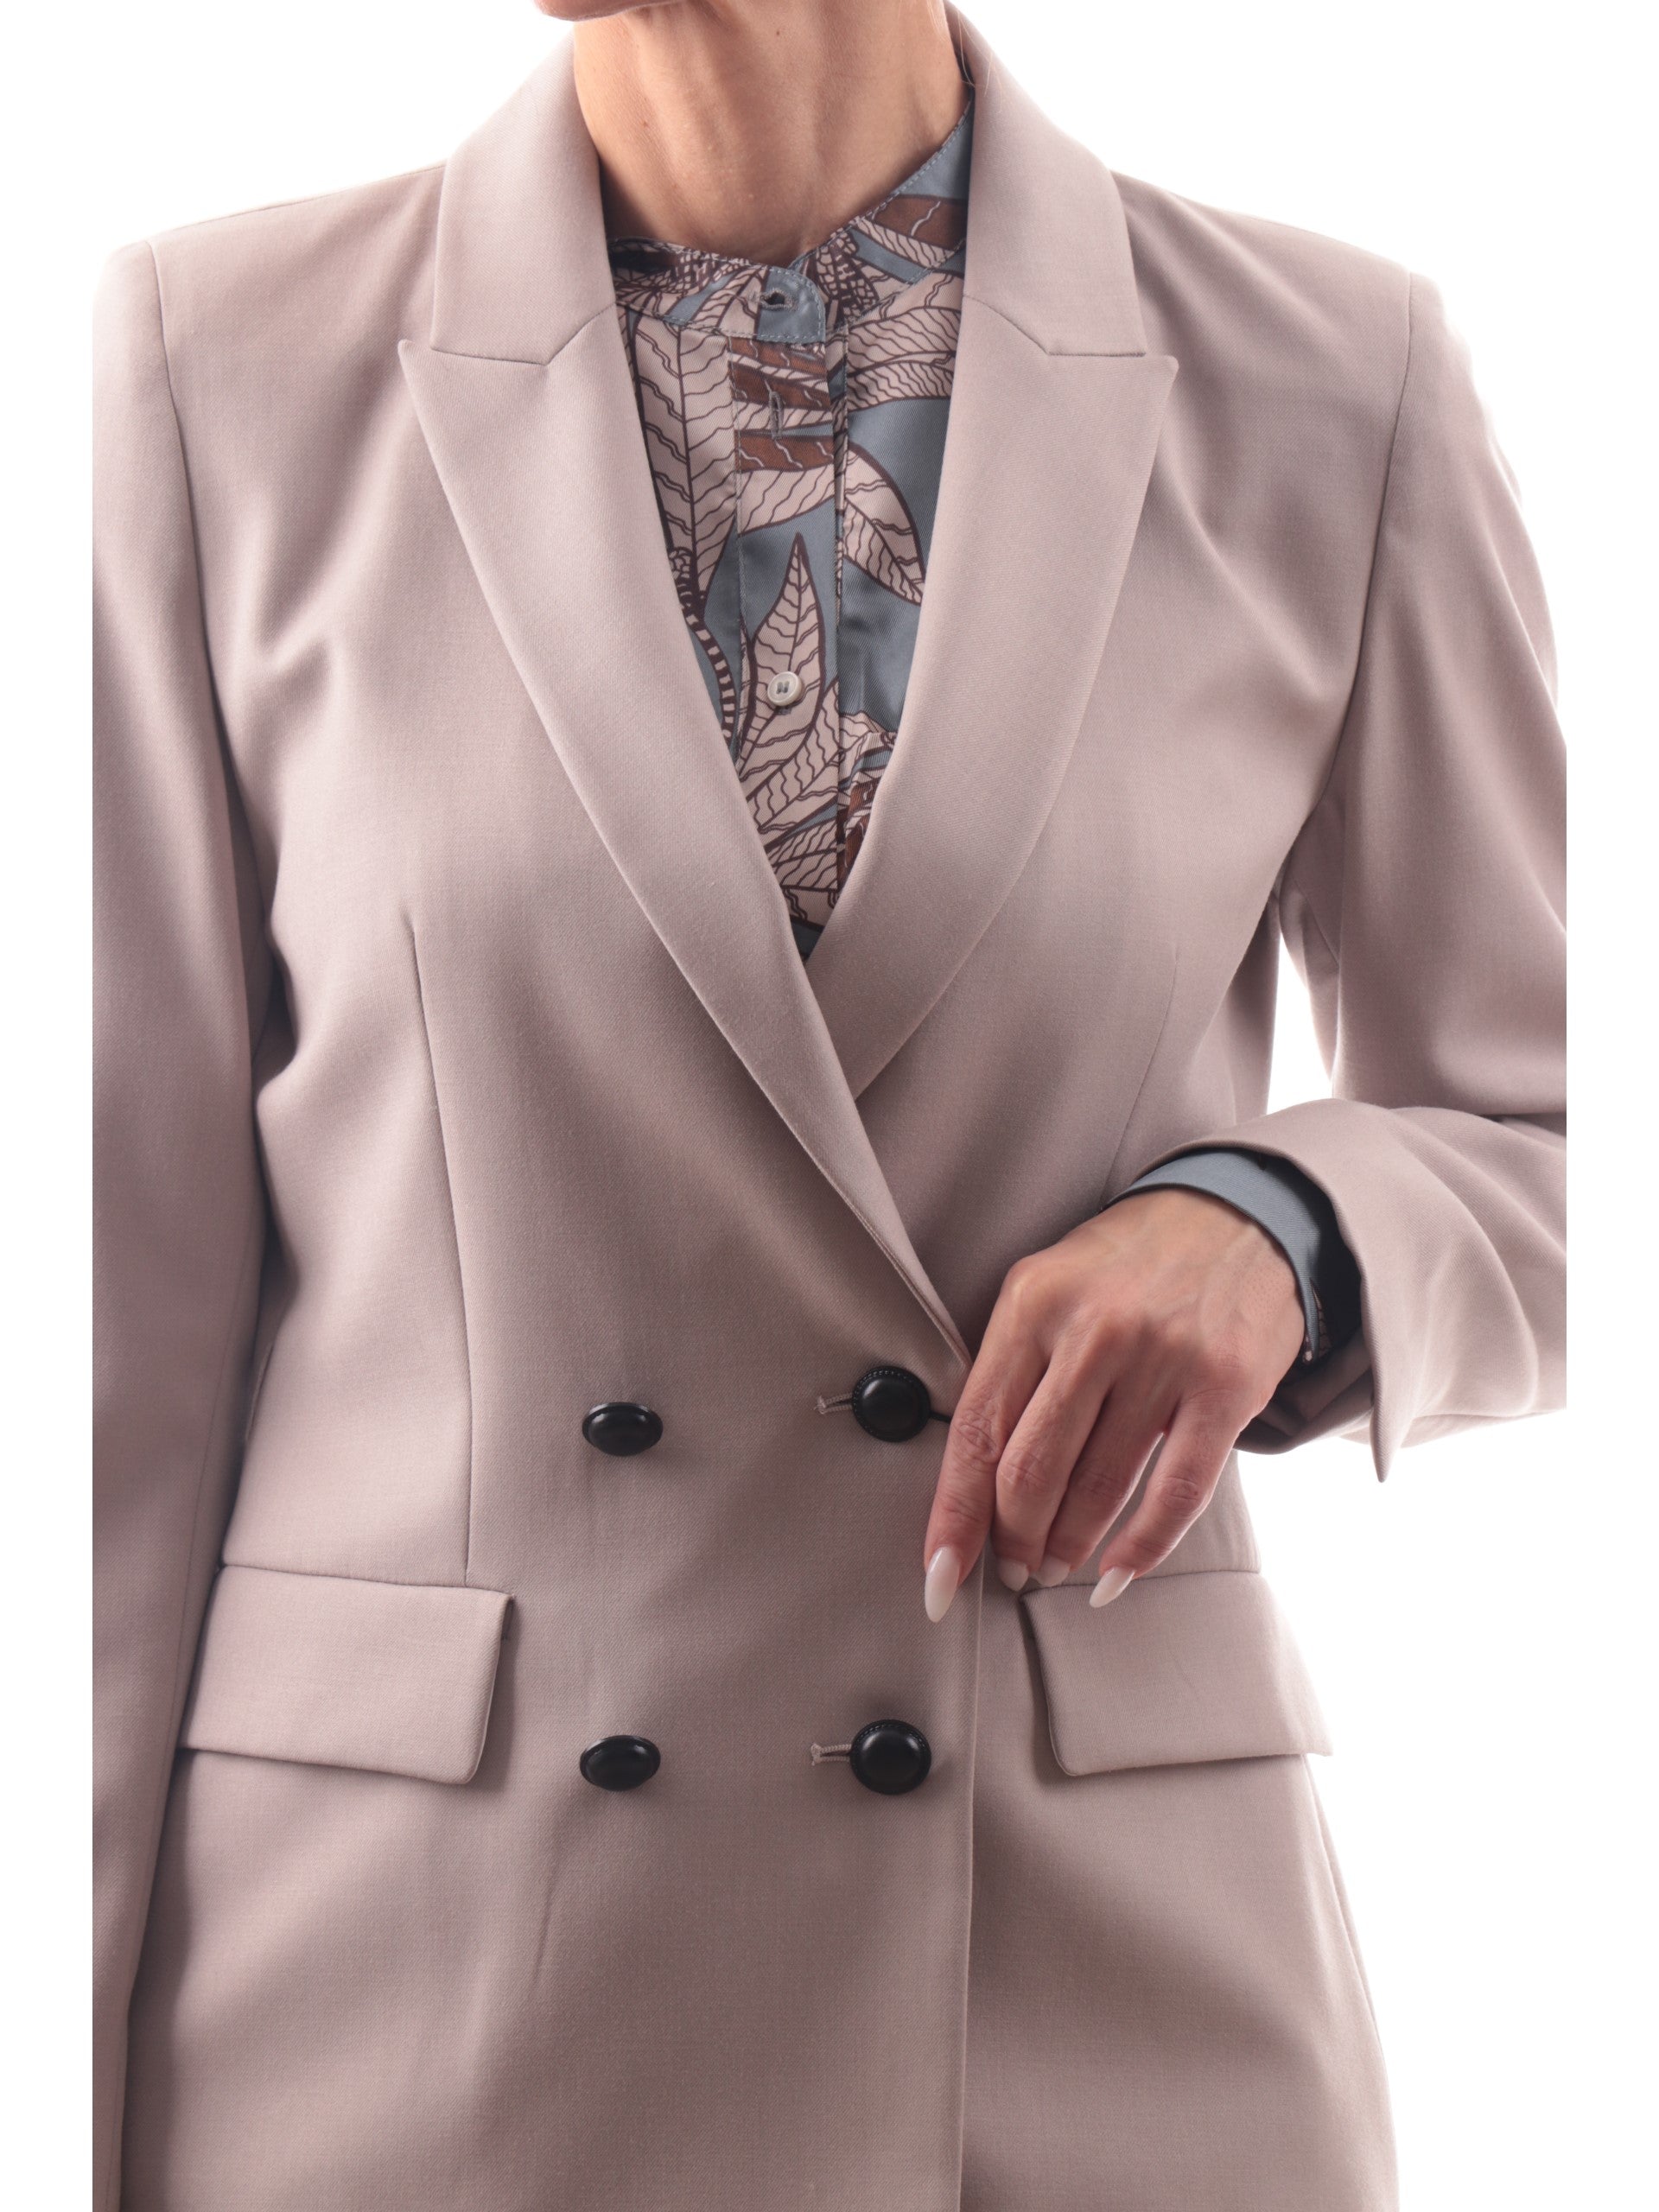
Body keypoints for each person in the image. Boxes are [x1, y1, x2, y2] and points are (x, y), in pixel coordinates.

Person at [92, 2, 1566, 2206]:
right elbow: (94, 1333)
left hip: (1097, 2001)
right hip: (406, 2006)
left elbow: (1557, 1127)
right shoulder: (219, 364)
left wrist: (1286, 1222)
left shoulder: (1333, 379)